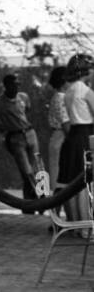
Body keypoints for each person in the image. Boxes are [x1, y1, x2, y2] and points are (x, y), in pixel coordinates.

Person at [0, 73, 41, 203]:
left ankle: (34, 201)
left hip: (29, 133)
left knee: (38, 167)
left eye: (18, 84)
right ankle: (35, 200)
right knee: (26, 171)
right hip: (15, 137)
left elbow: (26, 111)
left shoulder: (23, 97)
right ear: (6, 86)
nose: (16, 87)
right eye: (13, 85)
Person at [59, 54, 94, 226]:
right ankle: (87, 226)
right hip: (86, 136)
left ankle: (76, 225)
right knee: (85, 184)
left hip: (73, 136)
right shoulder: (86, 91)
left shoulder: (69, 91)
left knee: (71, 183)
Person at [44, 65, 69, 189]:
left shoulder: (61, 96)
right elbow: (66, 124)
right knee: (60, 177)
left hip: (60, 138)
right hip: (61, 138)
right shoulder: (60, 98)